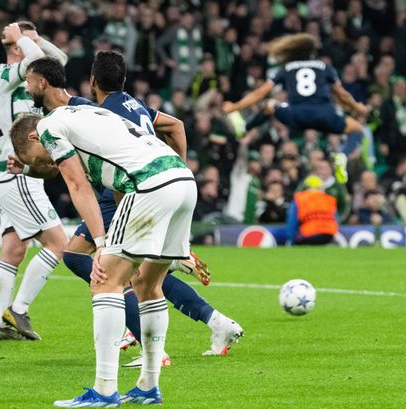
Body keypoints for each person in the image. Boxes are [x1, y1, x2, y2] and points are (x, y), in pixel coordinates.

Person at [10, 58, 197, 407]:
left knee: (104, 280)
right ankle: (147, 386)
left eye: (35, 155)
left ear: (35, 136)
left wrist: (100, 243)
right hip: (182, 178)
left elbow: (77, 185)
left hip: (149, 184)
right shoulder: (93, 114)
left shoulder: (51, 127)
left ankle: (105, 390)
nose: (43, 160)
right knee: (147, 284)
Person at [62, 51, 241, 360]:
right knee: (146, 277)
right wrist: (178, 167)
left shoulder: (105, 114)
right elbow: (176, 125)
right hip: (152, 186)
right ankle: (216, 322)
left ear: (93, 82)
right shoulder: (134, 104)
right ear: (124, 80)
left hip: (122, 191)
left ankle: (145, 341)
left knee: (89, 261)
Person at [0, 22, 69, 341]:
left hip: (17, 172)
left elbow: (57, 60)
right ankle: (18, 308)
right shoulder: (4, 77)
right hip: (17, 170)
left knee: (12, 249)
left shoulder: (32, 80)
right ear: (18, 50)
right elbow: (40, 56)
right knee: (59, 244)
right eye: (30, 44)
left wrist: (31, 38)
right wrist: (22, 38)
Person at [223, 33, 369, 185]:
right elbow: (342, 95)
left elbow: (260, 93)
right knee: (358, 129)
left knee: (270, 105)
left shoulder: (286, 68)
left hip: (296, 115)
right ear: (312, 53)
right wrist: (358, 108)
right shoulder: (325, 68)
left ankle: (244, 127)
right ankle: (342, 156)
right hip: (324, 114)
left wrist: (235, 106)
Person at [286, 175, 339, 246]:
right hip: (329, 233)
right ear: (320, 187)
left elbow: (292, 222)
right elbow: (336, 219)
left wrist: (292, 241)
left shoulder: (299, 198)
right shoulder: (329, 199)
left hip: (309, 233)